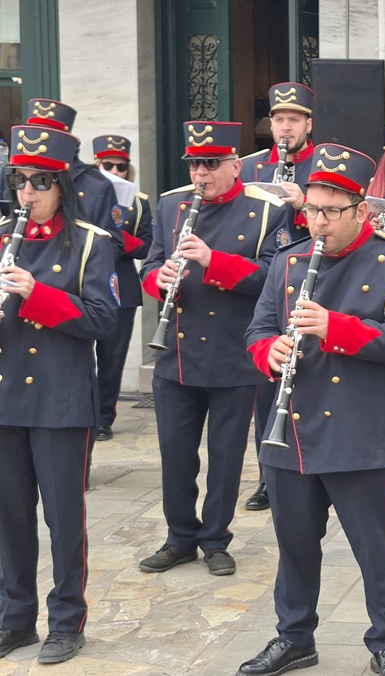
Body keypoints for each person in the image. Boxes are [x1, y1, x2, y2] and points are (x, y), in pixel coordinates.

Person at [239, 144, 385, 676]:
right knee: (294, 543)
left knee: (376, 548)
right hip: (291, 428)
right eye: (311, 211)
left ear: (360, 210)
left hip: (361, 429)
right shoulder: (288, 259)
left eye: (330, 212)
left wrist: (336, 328)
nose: (318, 222)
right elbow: (256, 329)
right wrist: (266, 351)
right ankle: (294, 637)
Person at [138, 121, 290, 577]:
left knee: (226, 457)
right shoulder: (169, 205)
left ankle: (215, 539)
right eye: (195, 164)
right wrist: (157, 279)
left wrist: (211, 260)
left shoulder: (267, 211)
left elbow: (275, 279)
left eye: (210, 164)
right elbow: (148, 263)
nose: (200, 174)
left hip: (232, 352)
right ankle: (179, 537)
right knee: (175, 453)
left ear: (233, 165)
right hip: (176, 354)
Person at [0, 125, 118, 665]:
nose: (28, 193)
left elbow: (102, 320)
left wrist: (35, 293)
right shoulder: (3, 236)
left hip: (60, 398)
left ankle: (67, 620)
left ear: (62, 186)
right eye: (20, 180)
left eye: (40, 181)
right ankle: (16, 616)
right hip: (6, 400)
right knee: (9, 514)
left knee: (63, 518)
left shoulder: (92, 242)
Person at [241, 82, 317, 511]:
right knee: (266, 388)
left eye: (294, 120)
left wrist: (303, 201)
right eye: (279, 120)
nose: (285, 128)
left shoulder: (324, 165)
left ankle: (307, 464)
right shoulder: (252, 169)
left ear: (308, 123)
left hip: (313, 281)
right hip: (266, 286)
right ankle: (268, 476)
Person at [91, 135, 154, 441]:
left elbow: (148, 246)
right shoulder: (81, 195)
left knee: (112, 358)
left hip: (121, 283)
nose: (116, 172)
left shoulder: (139, 202)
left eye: (122, 167)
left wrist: (121, 240)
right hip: (82, 281)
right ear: (96, 165)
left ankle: (104, 418)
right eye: (108, 165)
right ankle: (83, 412)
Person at [21, 99, 123, 241]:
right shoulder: (12, 175)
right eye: (33, 133)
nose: (27, 190)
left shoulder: (96, 184)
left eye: (48, 136)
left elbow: (113, 242)